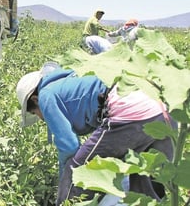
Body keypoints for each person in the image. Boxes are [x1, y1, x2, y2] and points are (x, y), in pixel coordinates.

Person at [16, 62, 177, 205]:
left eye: (36, 113)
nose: (41, 118)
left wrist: (63, 181)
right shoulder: (69, 79)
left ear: (35, 100)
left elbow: (69, 146)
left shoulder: (46, 95)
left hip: (131, 112)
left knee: (77, 171)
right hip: (163, 109)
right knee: (146, 184)